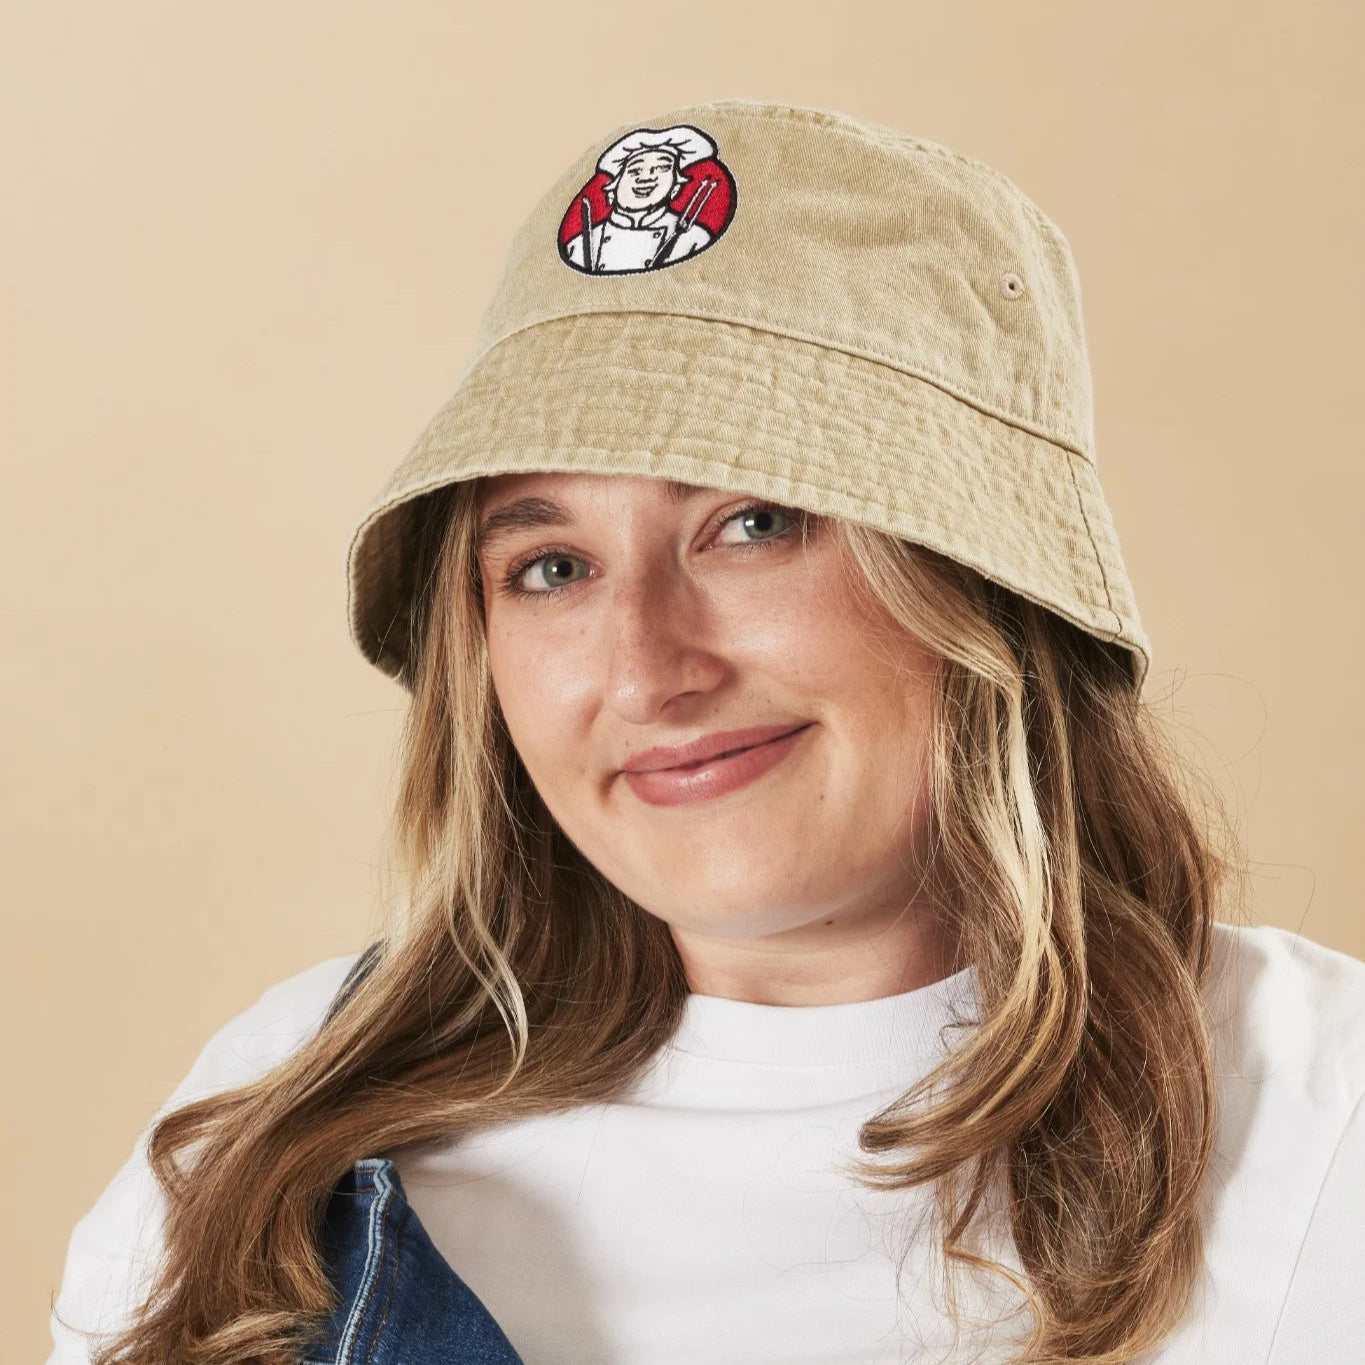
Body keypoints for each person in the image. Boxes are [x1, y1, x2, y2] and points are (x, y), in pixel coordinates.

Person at [47, 97, 1365, 1365]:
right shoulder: (281, 1108)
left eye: (756, 522)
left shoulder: (1322, 1118)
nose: (644, 671)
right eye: (552, 566)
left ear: (989, 580)